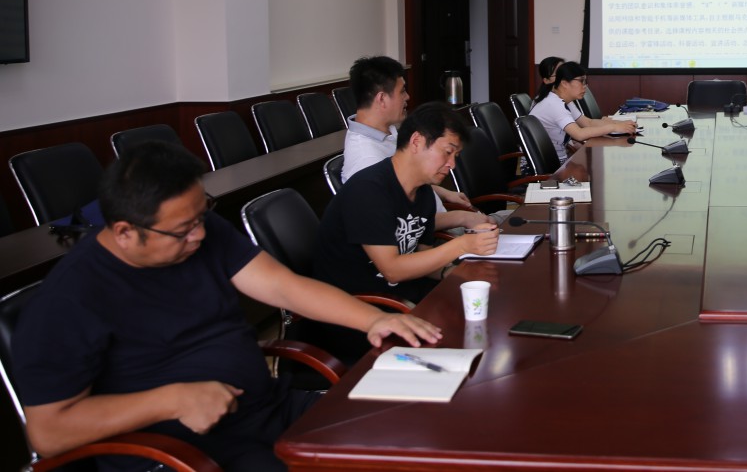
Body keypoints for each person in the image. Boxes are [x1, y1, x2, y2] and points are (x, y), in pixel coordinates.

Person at [12, 141, 441, 472]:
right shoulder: (69, 301)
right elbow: (49, 432)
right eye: (184, 229)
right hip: (186, 452)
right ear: (125, 232)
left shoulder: (198, 230)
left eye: (203, 215)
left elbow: (284, 287)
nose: (199, 234)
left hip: (267, 411)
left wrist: (374, 318)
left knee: (409, 429)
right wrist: (171, 401)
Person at [313, 102, 500, 305]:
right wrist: (462, 245)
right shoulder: (368, 190)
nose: (452, 165)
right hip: (361, 307)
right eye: (448, 152)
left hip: (404, 293)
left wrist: (450, 272)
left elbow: (422, 254)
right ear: (416, 141)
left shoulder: (423, 191)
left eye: (456, 156)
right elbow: (392, 270)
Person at [342, 55, 476, 216]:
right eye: (402, 91)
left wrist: (444, 193)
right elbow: (401, 222)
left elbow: (406, 177)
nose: (407, 97)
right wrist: (460, 218)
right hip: (433, 228)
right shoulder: (366, 160)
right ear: (382, 99)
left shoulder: (386, 131)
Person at [529, 61, 637, 165]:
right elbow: (579, 134)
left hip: (559, 158)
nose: (585, 86)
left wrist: (619, 124)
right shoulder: (554, 104)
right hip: (550, 165)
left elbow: (588, 123)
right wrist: (613, 127)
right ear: (564, 83)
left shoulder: (564, 100)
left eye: (585, 81)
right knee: (599, 164)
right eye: (581, 81)